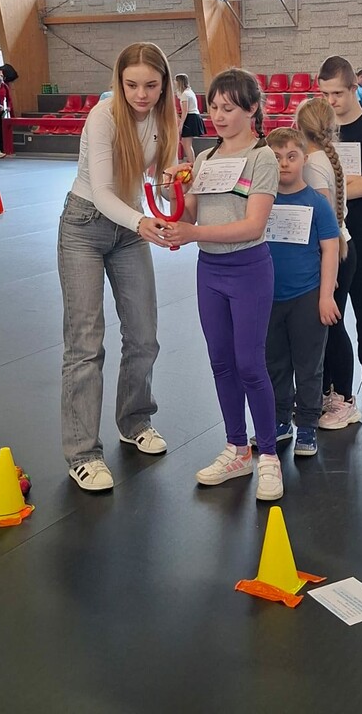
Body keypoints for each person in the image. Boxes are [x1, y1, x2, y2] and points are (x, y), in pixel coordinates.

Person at [156, 68, 283, 502]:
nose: (219, 116)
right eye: (213, 107)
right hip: (209, 270)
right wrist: (172, 189)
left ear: (252, 109)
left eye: (228, 108)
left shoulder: (263, 158)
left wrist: (193, 233)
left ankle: (268, 455)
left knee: (250, 363)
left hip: (249, 269)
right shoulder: (205, 160)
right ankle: (236, 449)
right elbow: (190, 215)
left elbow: (253, 225)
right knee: (221, 362)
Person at [58, 42, 178, 491]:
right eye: (131, 85)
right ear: (119, 82)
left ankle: (135, 421)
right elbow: (103, 192)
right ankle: (83, 453)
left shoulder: (167, 118)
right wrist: (142, 221)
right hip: (85, 225)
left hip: (129, 229)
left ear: (164, 85)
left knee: (144, 335)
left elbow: (161, 185)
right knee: (85, 343)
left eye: (151, 85)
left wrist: (175, 183)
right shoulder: (103, 116)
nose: (141, 95)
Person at [317, 55, 362, 407]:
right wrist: (356, 182)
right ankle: (330, 378)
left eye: (337, 93)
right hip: (327, 233)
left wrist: (332, 185)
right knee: (329, 306)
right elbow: (307, 179)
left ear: (353, 89)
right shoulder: (320, 132)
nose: (330, 101)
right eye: (324, 94)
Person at [263, 127, 340, 457]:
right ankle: (280, 421)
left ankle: (307, 424)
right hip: (267, 299)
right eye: (276, 157)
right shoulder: (261, 202)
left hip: (307, 297)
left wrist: (326, 296)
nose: (284, 163)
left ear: (304, 160)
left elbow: (331, 250)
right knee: (274, 364)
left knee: (309, 366)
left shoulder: (317, 203)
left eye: (291, 156)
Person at [295, 97, 361, 430]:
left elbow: (320, 218)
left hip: (332, 253)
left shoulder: (312, 164)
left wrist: (326, 267)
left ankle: (344, 399)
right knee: (327, 327)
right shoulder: (324, 157)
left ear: (298, 127)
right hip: (340, 247)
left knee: (332, 327)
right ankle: (327, 392)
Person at [174, 73, 205, 164]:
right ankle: (191, 162)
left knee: (187, 144)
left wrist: (181, 125)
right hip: (193, 116)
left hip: (190, 118)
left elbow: (185, 110)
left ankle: (192, 164)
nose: (174, 83)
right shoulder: (189, 92)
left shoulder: (185, 94)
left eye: (176, 81)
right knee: (186, 143)